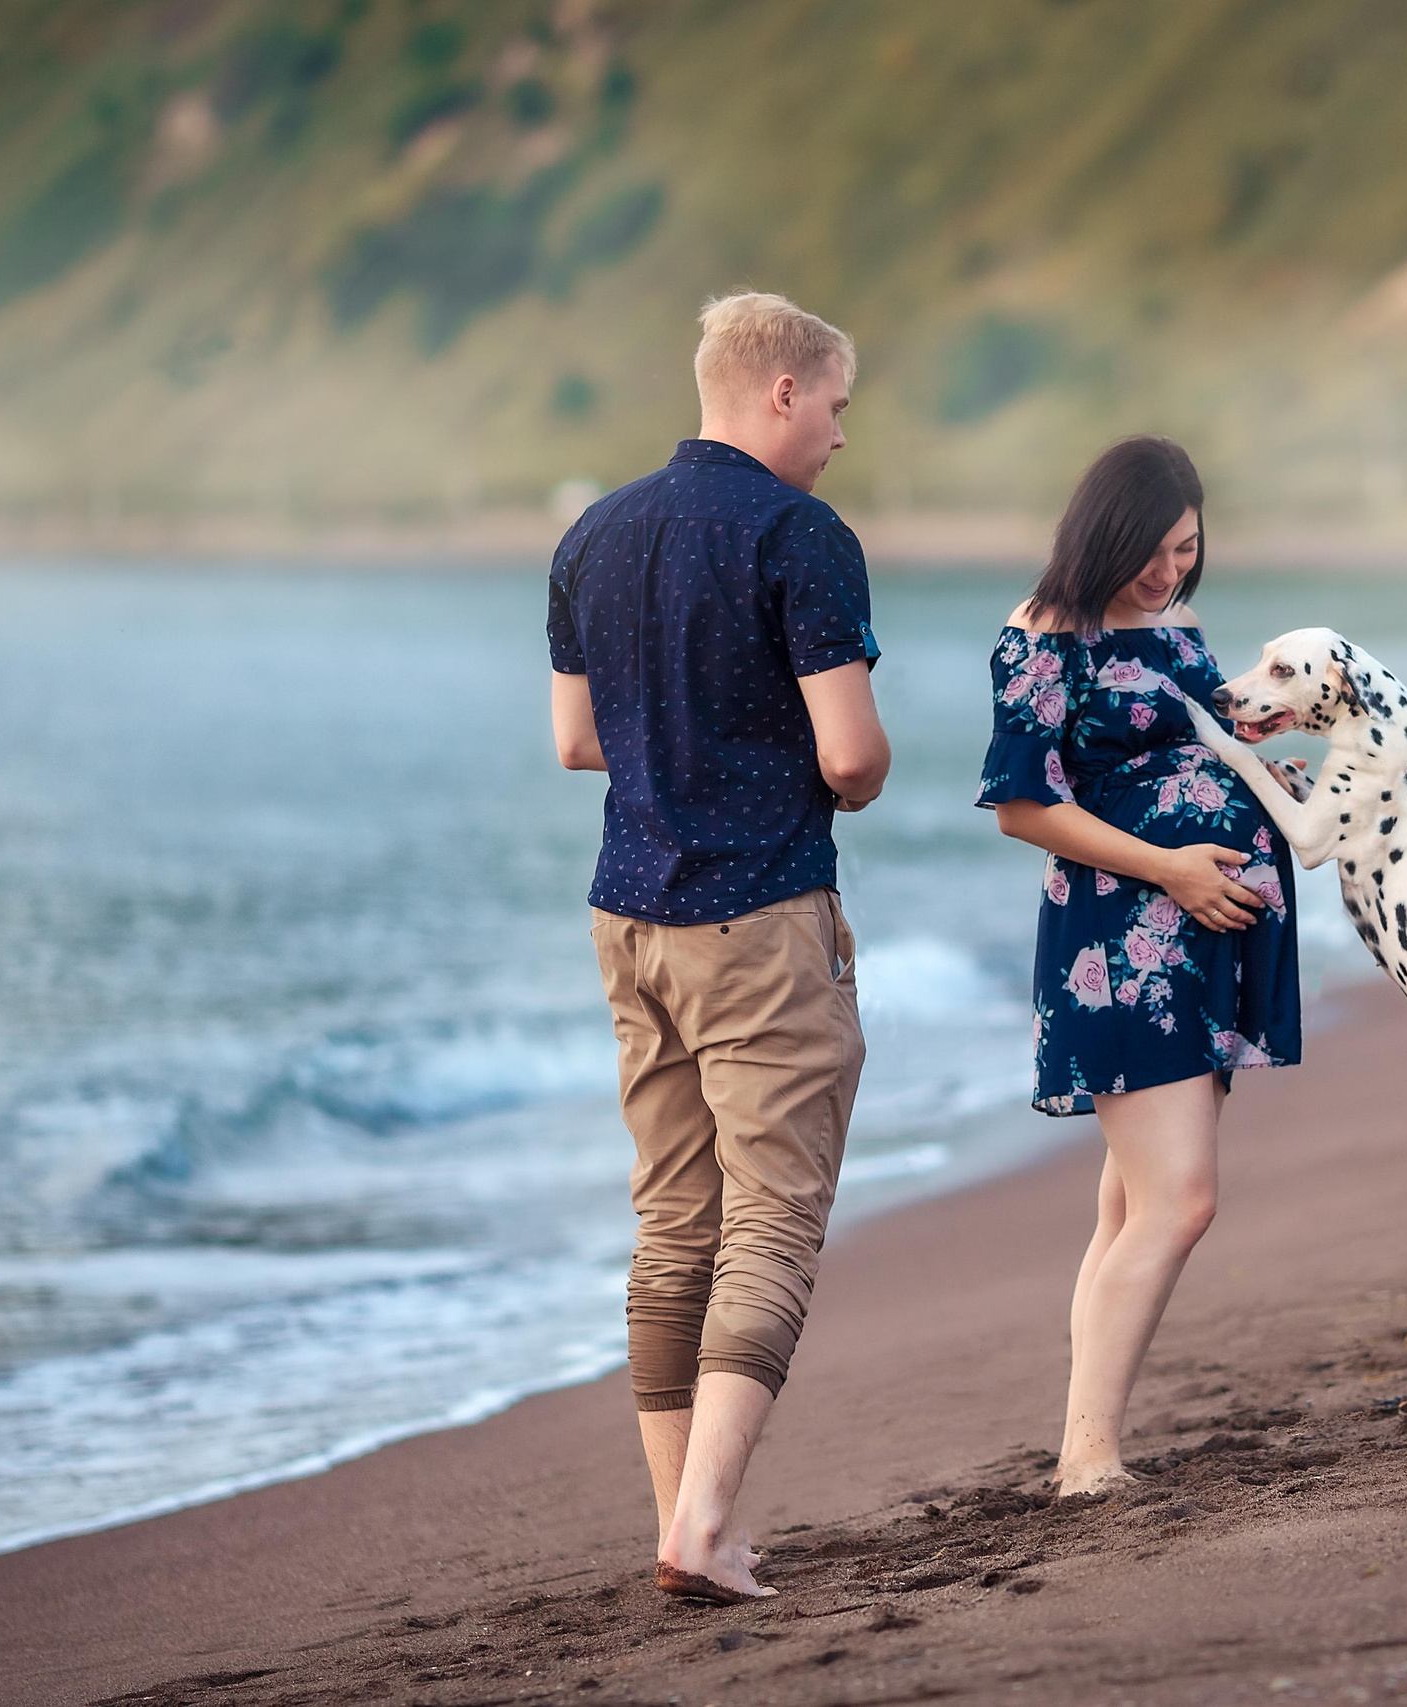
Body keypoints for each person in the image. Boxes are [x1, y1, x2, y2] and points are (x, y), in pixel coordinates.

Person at [548, 291, 889, 1602]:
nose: (843, 437)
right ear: (783, 393)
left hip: (628, 914)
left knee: (672, 1222)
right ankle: (701, 1529)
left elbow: (577, 742)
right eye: (839, 407)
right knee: (774, 1220)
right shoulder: (803, 537)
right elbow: (850, 753)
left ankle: (682, 1518)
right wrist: (853, 779)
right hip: (758, 913)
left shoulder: (593, 533)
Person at [976, 435, 1302, 1497]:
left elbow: (1212, 744)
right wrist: (1172, 867)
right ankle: (1086, 1457)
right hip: (1121, 947)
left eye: (1187, 550)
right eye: (1153, 550)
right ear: (1104, 531)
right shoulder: (1037, 641)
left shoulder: (1179, 629)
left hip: (1205, 938)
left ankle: (1086, 1438)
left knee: (1129, 1210)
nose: (1168, 572)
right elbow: (1024, 807)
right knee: (1181, 1200)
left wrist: (1268, 776)